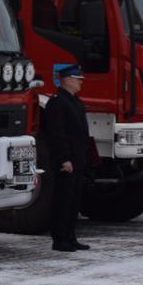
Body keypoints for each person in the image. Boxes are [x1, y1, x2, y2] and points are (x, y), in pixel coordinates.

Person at [38, 64, 92, 252]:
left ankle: (70, 237)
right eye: (78, 79)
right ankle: (60, 239)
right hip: (66, 160)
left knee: (73, 201)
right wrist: (64, 159)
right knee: (63, 200)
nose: (80, 83)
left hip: (78, 159)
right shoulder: (57, 102)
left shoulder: (74, 101)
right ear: (68, 79)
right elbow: (57, 134)